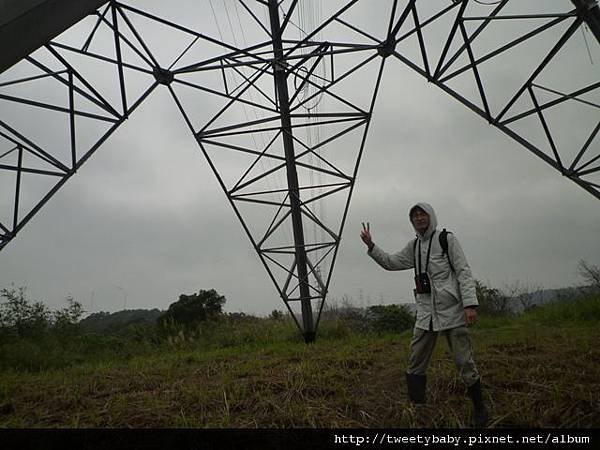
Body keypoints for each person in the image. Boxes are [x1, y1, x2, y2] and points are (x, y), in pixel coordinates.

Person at [360, 202, 488, 428]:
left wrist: (469, 305)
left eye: (423, 214)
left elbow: (463, 271)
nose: (419, 218)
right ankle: (417, 410)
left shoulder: (447, 240)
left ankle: (480, 410)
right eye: (415, 216)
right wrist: (372, 246)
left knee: (463, 361)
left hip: (452, 310)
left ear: (431, 217)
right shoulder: (414, 246)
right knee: (415, 360)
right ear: (412, 221)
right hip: (426, 312)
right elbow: (391, 262)